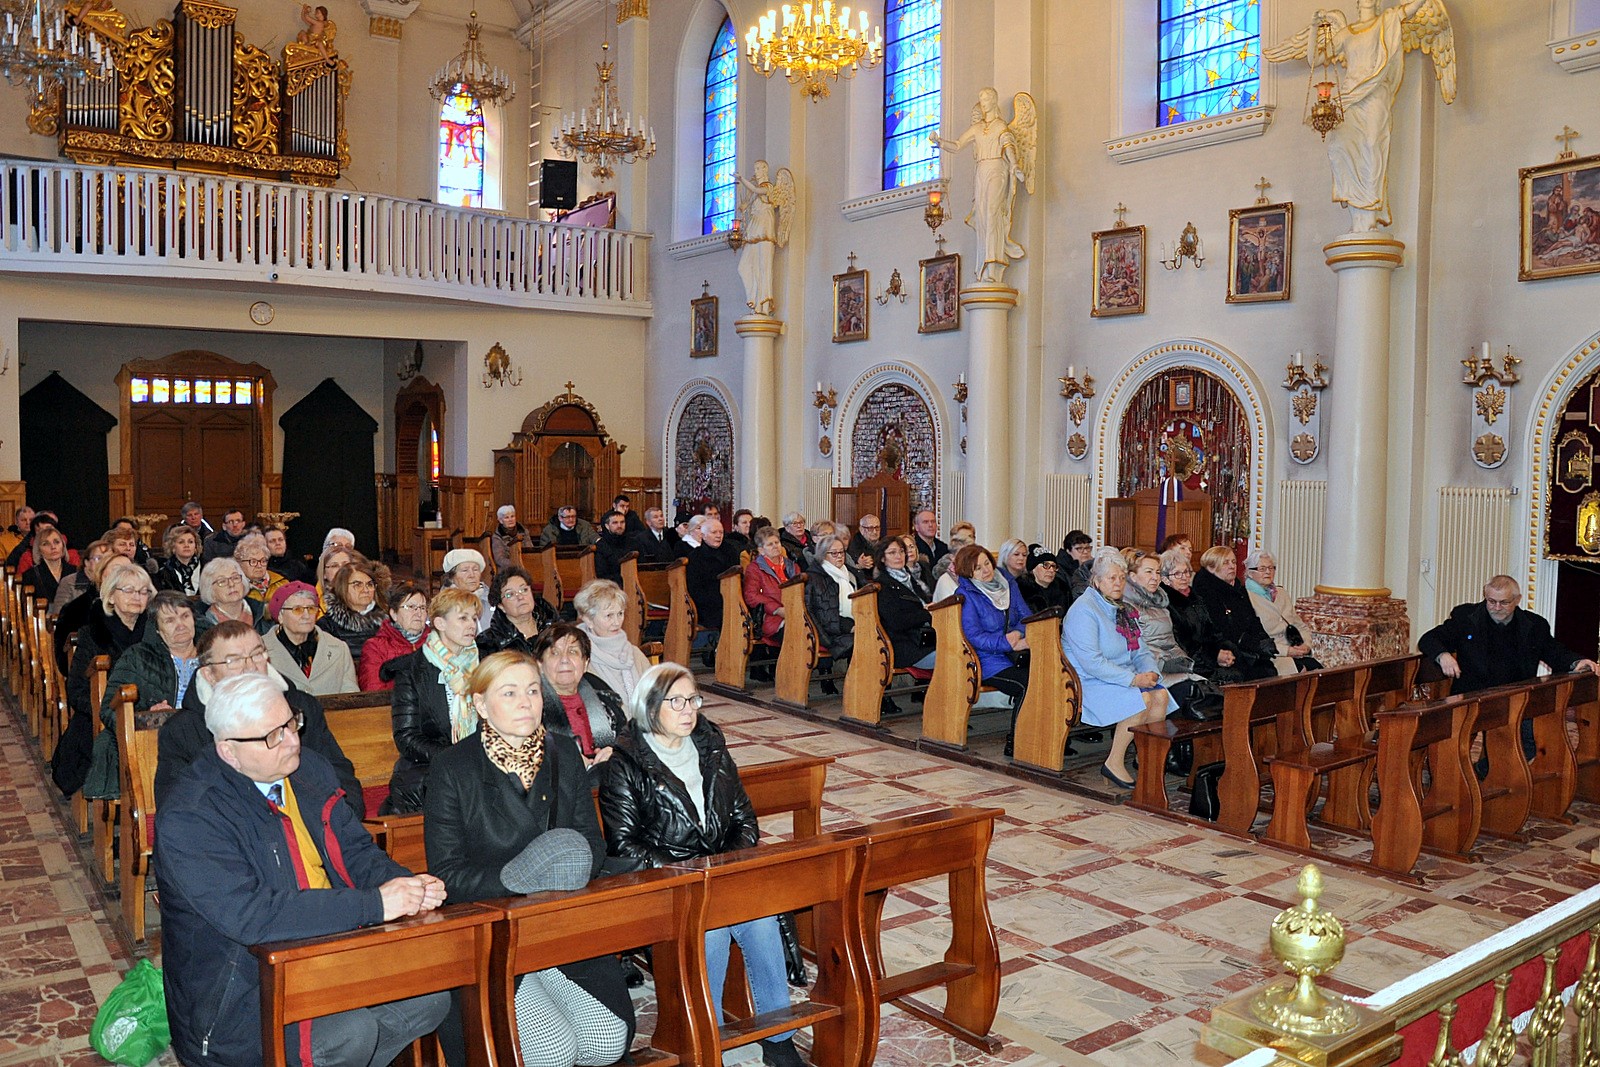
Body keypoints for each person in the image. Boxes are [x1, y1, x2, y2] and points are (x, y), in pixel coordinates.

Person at [157, 673, 449, 1067]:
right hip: (242, 990)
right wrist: (374, 904)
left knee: (431, 999)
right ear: (228, 751)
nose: (293, 741)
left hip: (328, 949)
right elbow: (252, 916)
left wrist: (403, 885)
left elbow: (356, 851)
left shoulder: (308, 769)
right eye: (272, 736)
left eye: (291, 723)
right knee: (350, 1034)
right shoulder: (190, 815)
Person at [422, 651, 634, 1067]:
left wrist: (565, 871)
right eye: (510, 693)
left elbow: (592, 843)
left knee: (607, 1040)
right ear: (481, 704)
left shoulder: (564, 753)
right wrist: (519, 879)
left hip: (557, 923)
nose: (526, 702)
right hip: (490, 932)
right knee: (555, 1051)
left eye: (534, 691)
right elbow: (447, 874)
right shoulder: (452, 767)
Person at [599, 663, 812, 1067]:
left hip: (721, 874)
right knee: (709, 932)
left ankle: (778, 1039)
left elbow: (745, 820)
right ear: (650, 707)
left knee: (763, 922)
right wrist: (692, 874)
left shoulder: (711, 746)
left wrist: (722, 868)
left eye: (693, 699)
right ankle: (706, 1038)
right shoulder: (626, 763)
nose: (689, 710)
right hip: (667, 884)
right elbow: (625, 846)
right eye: (676, 701)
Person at [1265, 0, 1450, 232]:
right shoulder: (1346, 33)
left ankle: (1369, 219)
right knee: (1338, 150)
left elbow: (1411, 9)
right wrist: (1313, 28)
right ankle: (1357, 220)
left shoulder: (1387, 21)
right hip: (1349, 97)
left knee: (1372, 146)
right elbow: (1315, 60)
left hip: (1375, 93)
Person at [154, 620, 363, 820]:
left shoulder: (302, 708)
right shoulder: (182, 730)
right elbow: (177, 806)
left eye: (257, 655)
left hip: (311, 823)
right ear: (209, 674)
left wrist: (339, 823)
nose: (251, 668)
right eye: (234, 660)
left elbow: (338, 772)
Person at [1064, 549, 1177, 789]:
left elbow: (1140, 650)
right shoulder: (1083, 610)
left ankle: (1144, 757)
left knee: (1160, 694)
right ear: (1097, 581)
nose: (1118, 583)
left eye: (1122, 578)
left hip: (1120, 676)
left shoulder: (1122, 608)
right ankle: (1113, 762)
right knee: (1142, 699)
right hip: (1088, 681)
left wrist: (1150, 671)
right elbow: (1092, 662)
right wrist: (1133, 680)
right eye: (1112, 578)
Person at [82, 590, 200, 802]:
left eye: (185, 616)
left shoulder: (212, 655)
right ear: (157, 629)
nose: (180, 625)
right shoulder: (137, 657)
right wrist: (147, 716)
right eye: (170, 620)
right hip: (156, 743)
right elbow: (109, 709)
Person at [54, 560, 154, 797]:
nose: (137, 596)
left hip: (149, 713)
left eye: (143, 591)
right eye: (128, 590)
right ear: (110, 596)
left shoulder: (155, 633)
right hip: (102, 715)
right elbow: (76, 690)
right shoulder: (92, 635)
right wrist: (112, 710)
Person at [387, 588, 484, 813]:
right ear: (440, 623)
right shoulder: (411, 670)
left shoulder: (485, 664)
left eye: (474, 618)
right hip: (430, 767)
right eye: (463, 618)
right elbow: (406, 737)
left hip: (479, 761)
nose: (472, 625)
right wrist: (455, 757)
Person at [1418, 576, 1597, 693]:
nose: (1496, 608)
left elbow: (1555, 652)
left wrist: (1577, 661)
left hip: (1517, 695)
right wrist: (1443, 656)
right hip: (1472, 695)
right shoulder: (1466, 618)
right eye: (1491, 601)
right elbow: (1428, 639)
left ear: (1517, 600)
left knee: (1527, 736)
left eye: (1504, 602)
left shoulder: (1534, 625)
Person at [933, 87, 1033, 283]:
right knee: (981, 217)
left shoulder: (1000, 126)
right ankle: (983, 266)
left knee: (992, 213)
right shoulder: (977, 128)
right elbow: (958, 145)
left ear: (993, 101)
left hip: (997, 169)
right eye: (981, 99)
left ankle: (993, 266)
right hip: (981, 171)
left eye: (986, 99)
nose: (983, 103)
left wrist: (1014, 165)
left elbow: (1008, 146)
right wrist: (939, 142)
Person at [952, 545, 1030, 749]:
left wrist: (1017, 634)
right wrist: (1007, 643)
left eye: (987, 563)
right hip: (986, 660)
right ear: (968, 572)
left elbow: (1025, 615)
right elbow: (973, 636)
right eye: (978, 568)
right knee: (1027, 684)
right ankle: (1017, 743)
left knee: (1049, 677)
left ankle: (1043, 736)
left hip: (1016, 651)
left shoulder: (1007, 582)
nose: (986, 570)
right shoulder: (966, 594)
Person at [534, 622, 627, 774]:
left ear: (585, 663)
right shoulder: (530, 707)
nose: (564, 659)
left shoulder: (604, 698)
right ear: (539, 665)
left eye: (573, 652)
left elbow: (630, 743)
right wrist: (568, 762)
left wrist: (616, 753)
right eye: (555, 653)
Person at [1190, 547, 1278, 682]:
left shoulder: (1238, 589)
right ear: (1211, 567)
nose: (1232, 566)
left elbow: (1253, 620)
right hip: (1226, 652)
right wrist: (1253, 644)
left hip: (1248, 649)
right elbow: (1221, 630)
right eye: (1225, 563)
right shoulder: (1205, 592)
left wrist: (1263, 639)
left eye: (1234, 562)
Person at [266, 582, 358, 696]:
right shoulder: (261, 650)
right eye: (297, 609)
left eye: (311, 608)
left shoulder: (338, 648)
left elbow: (351, 695)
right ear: (280, 616)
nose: (306, 615)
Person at [1243, 551, 1321, 675]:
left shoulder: (1281, 593)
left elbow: (1300, 625)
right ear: (1250, 573)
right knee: (1301, 672)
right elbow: (1254, 641)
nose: (1268, 572)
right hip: (1271, 656)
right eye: (1262, 569)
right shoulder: (1246, 597)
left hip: (1296, 651)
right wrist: (1287, 651)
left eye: (1271, 568)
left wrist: (1306, 644)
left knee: (1321, 672)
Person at [734, 160, 794, 315]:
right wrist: (745, 207)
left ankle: (763, 307)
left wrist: (741, 179)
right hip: (754, 231)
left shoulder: (768, 187)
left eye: (758, 168)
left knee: (764, 268)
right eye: (755, 168)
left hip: (765, 232)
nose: (756, 171)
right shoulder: (756, 194)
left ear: (765, 170)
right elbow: (752, 198)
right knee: (744, 267)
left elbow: (756, 189)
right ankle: (754, 300)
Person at [575, 580, 650, 702]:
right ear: (588, 620)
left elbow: (656, 693)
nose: (617, 622)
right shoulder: (580, 657)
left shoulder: (635, 653)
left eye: (620, 614)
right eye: (609, 615)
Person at [806, 533, 856, 693]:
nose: (839, 556)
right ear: (823, 555)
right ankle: (855, 687)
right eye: (834, 553)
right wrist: (850, 626)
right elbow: (823, 615)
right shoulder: (815, 578)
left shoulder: (849, 573)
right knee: (864, 642)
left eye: (841, 552)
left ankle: (858, 685)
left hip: (851, 623)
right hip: (829, 631)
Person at [358, 582, 430, 692]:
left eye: (422, 608)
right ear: (394, 614)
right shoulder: (375, 647)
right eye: (411, 607)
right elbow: (373, 691)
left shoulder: (436, 643)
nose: (419, 613)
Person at [318, 558, 388, 666]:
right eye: (357, 585)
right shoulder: (327, 625)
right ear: (343, 587)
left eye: (370, 584)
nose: (366, 590)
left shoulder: (388, 622)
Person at [477, 566, 555, 656]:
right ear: (501, 606)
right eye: (510, 594)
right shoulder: (488, 643)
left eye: (524, 590)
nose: (520, 597)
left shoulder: (553, 625)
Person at [686, 518, 741, 639]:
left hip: (731, 598)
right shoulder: (695, 556)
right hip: (707, 605)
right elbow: (694, 588)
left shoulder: (730, 552)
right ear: (703, 535)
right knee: (724, 616)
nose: (718, 536)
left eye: (721, 532)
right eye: (714, 532)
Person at [744, 526, 799, 645]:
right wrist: (777, 609)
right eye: (770, 544)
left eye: (777, 542)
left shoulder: (792, 566)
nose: (775, 546)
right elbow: (751, 596)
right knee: (797, 635)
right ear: (761, 550)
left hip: (797, 613)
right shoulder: (754, 569)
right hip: (772, 618)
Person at [197, 556, 266, 631]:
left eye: (235, 578)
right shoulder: (203, 626)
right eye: (222, 581)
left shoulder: (264, 613)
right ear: (210, 590)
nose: (231, 584)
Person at [20, 524, 76, 605]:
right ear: (39, 549)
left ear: (63, 545)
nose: (53, 547)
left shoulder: (76, 572)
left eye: (56, 542)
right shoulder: (30, 576)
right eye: (45, 544)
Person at [442, 547, 492, 630]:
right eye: (465, 570)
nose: (472, 575)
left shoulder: (492, 600)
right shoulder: (442, 605)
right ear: (451, 578)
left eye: (475, 569)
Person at [234, 532, 287, 606]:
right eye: (253, 561)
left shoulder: (282, 583)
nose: (259, 565)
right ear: (240, 563)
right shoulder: (234, 587)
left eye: (263, 561)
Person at [1017, 545, 1071, 615]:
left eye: (1054, 566)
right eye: (1046, 565)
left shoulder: (1063, 589)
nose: (1051, 570)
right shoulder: (1021, 589)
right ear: (1033, 569)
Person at [155, 524, 204, 597]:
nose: (186, 545)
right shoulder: (164, 572)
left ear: (196, 547)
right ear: (173, 547)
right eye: (181, 542)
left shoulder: (206, 568)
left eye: (190, 542)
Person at [487, 504, 536, 573]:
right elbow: (499, 559)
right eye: (506, 517)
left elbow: (530, 550)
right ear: (501, 521)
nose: (510, 520)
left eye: (512, 516)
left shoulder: (524, 532)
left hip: (527, 566)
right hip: (507, 570)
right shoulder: (497, 536)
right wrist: (516, 564)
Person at [593, 509, 632, 584]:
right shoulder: (601, 545)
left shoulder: (633, 542)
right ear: (607, 526)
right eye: (615, 523)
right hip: (612, 585)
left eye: (622, 522)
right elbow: (602, 574)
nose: (619, 526)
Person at [1060, 530, 1095, 599]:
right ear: (1068, 551)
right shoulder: (1060, 570)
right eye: (1079, 548)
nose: (1085, 552)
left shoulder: (1092, 567)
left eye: (1087, 548)